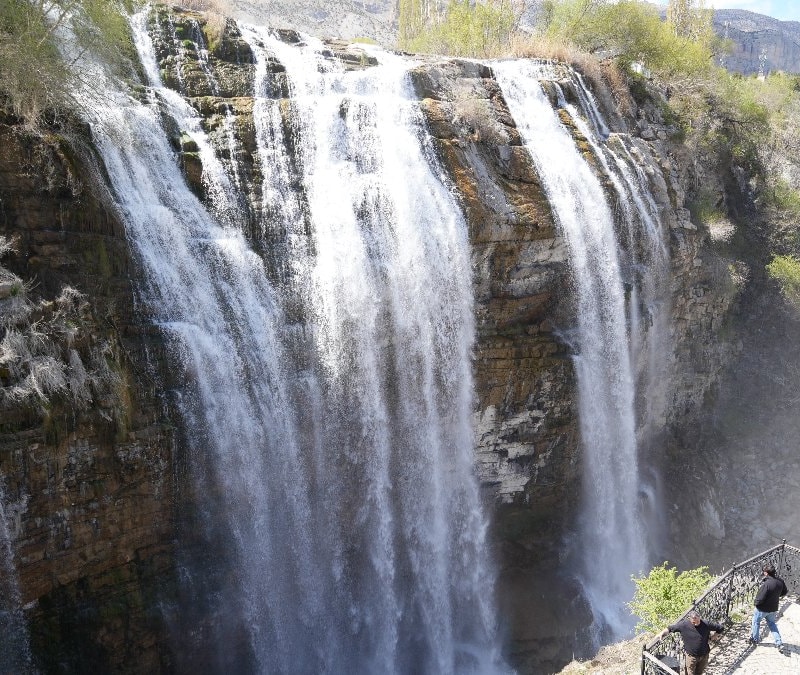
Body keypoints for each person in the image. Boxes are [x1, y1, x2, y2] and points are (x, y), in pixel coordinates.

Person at [658, 610, 724, 675]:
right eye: (693, 622)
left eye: (697, 621)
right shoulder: (684, 625)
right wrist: (662, 633)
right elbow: (670, 628)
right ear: (690, 619)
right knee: (690, 673)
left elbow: (720, 628)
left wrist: (714, 636)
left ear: (699, 617)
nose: (696, 623)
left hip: (704, 655)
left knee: (699, 672)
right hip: (691, 657)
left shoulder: (706, 624)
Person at [750, 564, 789, 655]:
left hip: (762, 609)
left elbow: (760, 598)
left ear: (766, 573)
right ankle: (779, 643)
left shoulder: (766, 584)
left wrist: (756, 604)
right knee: (772, 624)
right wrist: (776, 596)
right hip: (773, 608)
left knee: (756, 622)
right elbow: (784, 592)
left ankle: (755, 639)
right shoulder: (780, 581)